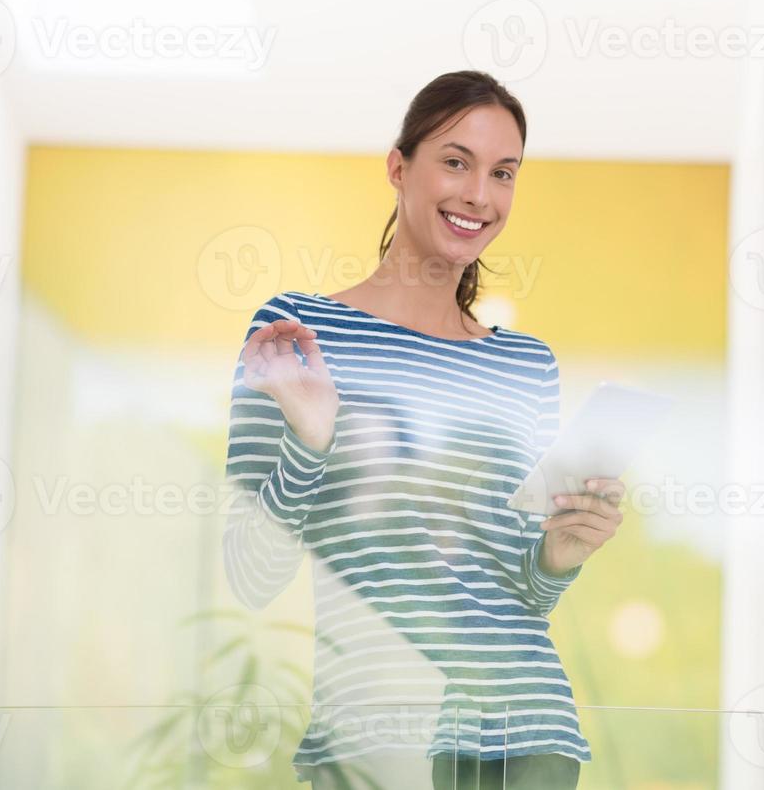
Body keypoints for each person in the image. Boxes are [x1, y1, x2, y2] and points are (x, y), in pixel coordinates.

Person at [222, 70, 626, 789]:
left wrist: (559, 556)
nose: (479, 194)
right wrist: (311, 440)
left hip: (530, 731)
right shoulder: (301, 332)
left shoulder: (525, 365)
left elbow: (519, 597)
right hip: (376, 729)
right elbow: (251, 574)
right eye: (455, 161)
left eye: (503, 173)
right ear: (397, 166)